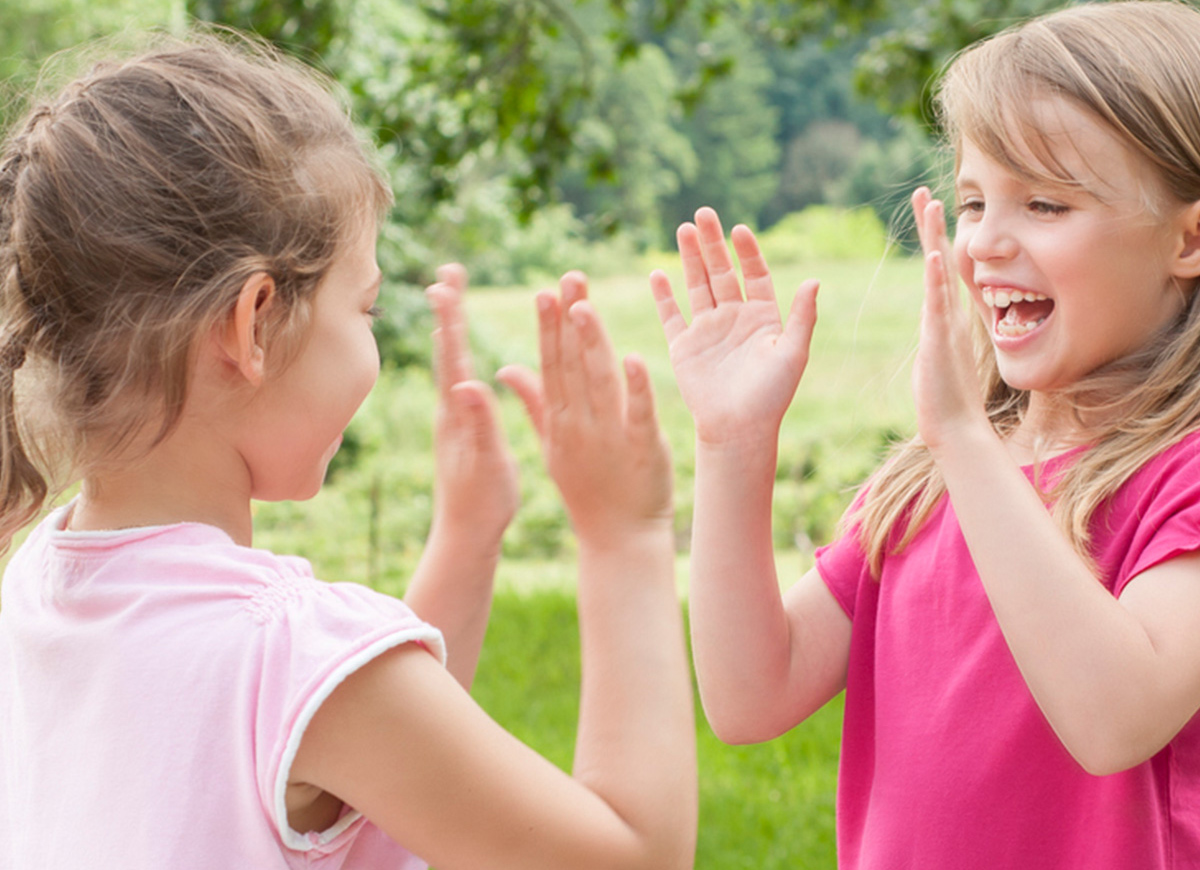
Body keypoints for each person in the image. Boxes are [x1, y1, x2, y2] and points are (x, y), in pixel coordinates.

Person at [0, 34, 696, 870]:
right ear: (254, 323)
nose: (372, 339)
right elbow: (636, 856)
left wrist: (467, 537)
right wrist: (625, 536)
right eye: (363, 307)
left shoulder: (42, 580)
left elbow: (367, 759)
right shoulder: (286, 651)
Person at [649, 2, 1200, 867]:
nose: (984, 240)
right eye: (974, 199)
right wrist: (733, 445)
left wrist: (963, 439)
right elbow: (750, 697)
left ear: (1189, 237)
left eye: (1046, 204)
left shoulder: (1180, 480)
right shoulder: (926, 484)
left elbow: (1114, 720)